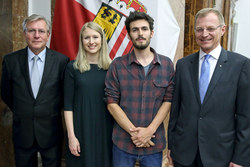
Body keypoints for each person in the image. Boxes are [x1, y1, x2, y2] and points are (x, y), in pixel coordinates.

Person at [167, 8, 250, 167]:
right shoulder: (183, 65)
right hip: (183, 154)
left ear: (223, 30)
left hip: (220, 155)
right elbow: (176, 110)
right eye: (199, 29)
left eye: (211, 28)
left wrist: (241, 158)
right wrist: (171, 146)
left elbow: (245, 117)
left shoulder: (241, 65)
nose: (204, 34)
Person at [105, 11, 174, 167]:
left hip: (153, 144)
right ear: (129, 35)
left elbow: (168, 100)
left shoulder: (167, 65)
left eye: (144, 29)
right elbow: (111, 102)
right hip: (123, 143)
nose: (140, 33)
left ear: (151, 33)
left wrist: (149, 131)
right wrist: (135, 133)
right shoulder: (117, 65)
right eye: (135, 30)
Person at [1, 14, 69, 167]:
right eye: (32, 31)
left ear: (48, 35)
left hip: (51, 132)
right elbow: (6, 93)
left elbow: (64, 96)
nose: (37, 35)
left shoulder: (61, 61)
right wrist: (24, 110)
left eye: (41, 31)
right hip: (22, 132)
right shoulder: (11, 61)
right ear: (25, 34)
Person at [63, 22, 113, 167]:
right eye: (87, 38)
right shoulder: (72, 68)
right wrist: (71, 136)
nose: (91, 42)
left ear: (102, 40)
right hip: (80, 129)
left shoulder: (112, 68)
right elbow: (68, 106)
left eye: (95, 37)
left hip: (105, 130)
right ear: (81, 41)